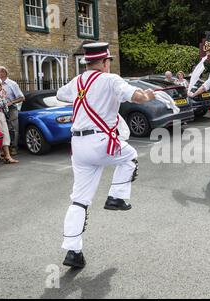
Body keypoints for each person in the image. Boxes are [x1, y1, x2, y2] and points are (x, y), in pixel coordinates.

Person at [56, 42, 156, 268]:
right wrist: (147, 96)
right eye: (109, 60)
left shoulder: (77, 82)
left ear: (87, 62)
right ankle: (116, 197)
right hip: (101, 142)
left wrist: (85, 95)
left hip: (78, 146)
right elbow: (135, 96)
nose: (110, 64)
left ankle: (73, 251)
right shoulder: (111, 80)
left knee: (79, 200)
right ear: (104, 61)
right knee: (129, 157)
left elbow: (61, 95)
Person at [0, 66, 25, 155]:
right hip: (0, 109)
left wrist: (11, 103)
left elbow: (22, 98)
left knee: (13, 129)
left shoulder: (12, 84)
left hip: (11, 109)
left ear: (3, 73)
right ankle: (5, 149)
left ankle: (14, 148)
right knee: (3, 129)